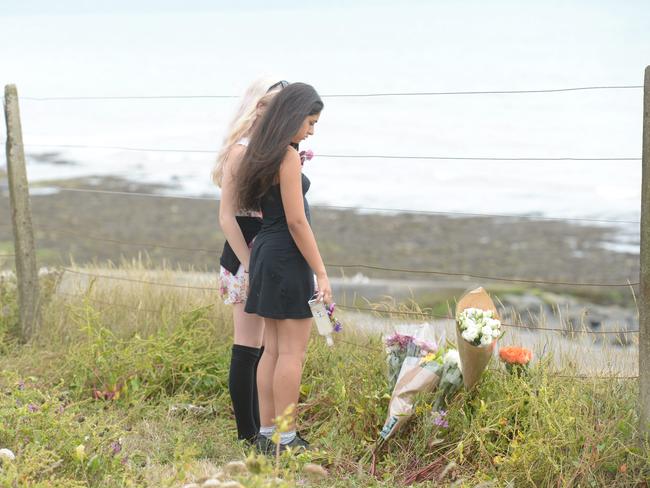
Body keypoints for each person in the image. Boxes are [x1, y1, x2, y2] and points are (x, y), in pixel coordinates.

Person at [236, 82, 332, 452]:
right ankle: (287, 439)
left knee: (272, 351)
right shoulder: (287, 157)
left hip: (264, 252)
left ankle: (266, 434)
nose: (310, 131)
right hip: (287, 255)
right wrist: (321, 271)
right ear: (292, 116)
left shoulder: (260, 152)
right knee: (292, 353)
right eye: (310, 122)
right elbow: (296, 221)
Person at [213, 77, 289, 444]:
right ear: (258, 109)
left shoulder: (270, 151)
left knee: (262, 347)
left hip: (266, 253)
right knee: (247, 346)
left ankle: (262, 428)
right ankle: (248, 434)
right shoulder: (241, 152)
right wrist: (251, 264)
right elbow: (227, 217)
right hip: (246, 255)